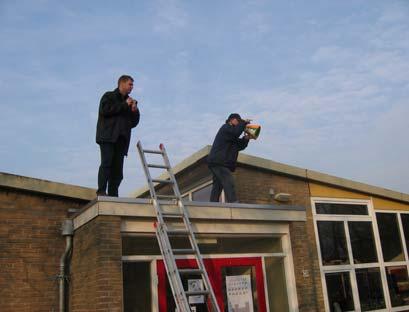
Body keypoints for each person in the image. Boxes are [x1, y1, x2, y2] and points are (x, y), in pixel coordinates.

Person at [96, 75, 140, 196]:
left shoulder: (130, 102)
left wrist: (134, 111)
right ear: (122, 84)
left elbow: (134, 123)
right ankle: (101, 192)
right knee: (107, 163)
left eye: (132, 85)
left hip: (121, 140)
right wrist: (124, 104)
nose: (132, 87)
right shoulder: (109, 96)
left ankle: (113, 195)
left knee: (118, 171)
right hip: (108, 137)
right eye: (130, 84)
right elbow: (105, 110)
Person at [207, 113, 250, 203]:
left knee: (218, 185)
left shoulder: (231, 135)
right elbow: (236, 132)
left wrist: (246, 138)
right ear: (232, 120)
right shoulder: (226, 128)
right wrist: (243, 123)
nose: (239, 123)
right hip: (218, 161)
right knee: (228, 181)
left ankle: (213, 204)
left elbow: (239, 145)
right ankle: (233, 202)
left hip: (219, 162)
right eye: (238, 121)